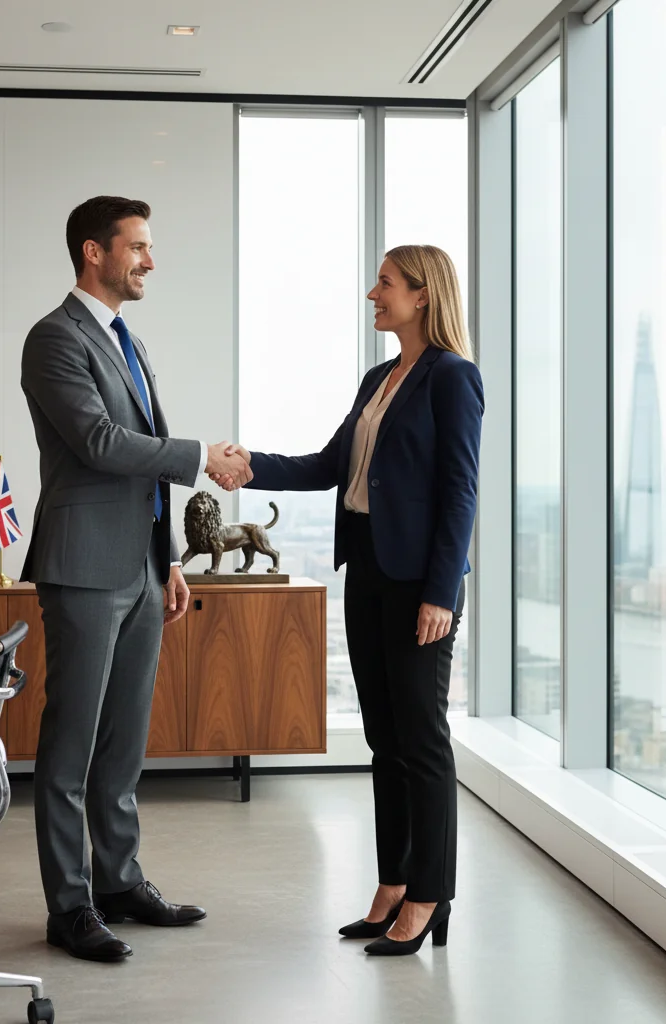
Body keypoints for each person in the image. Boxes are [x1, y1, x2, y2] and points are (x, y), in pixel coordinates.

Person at [216, 245, 483, 957]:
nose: (373, 294)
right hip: (365, 570)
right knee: (384, 742)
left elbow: (461, 492)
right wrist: (250, 467)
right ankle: (393, 883)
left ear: (422, 295)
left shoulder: (453, 377)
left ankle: (430, 893)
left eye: (385, 283)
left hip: (418, 584)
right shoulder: (378, 379)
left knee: (422, 741)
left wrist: (441, 592)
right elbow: (331, 465)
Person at [20, 195, 250, 962]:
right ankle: (70, 907)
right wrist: (200, 458)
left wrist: (172, 559)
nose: (151, 260)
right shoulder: (55, 338)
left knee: (122, 746)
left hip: (143, 569)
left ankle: (119, 883)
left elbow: (140, 454)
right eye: (138, 246)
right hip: (84, 567)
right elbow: (97, 441)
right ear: (95, 252)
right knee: (71, 747)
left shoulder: (130, 342)